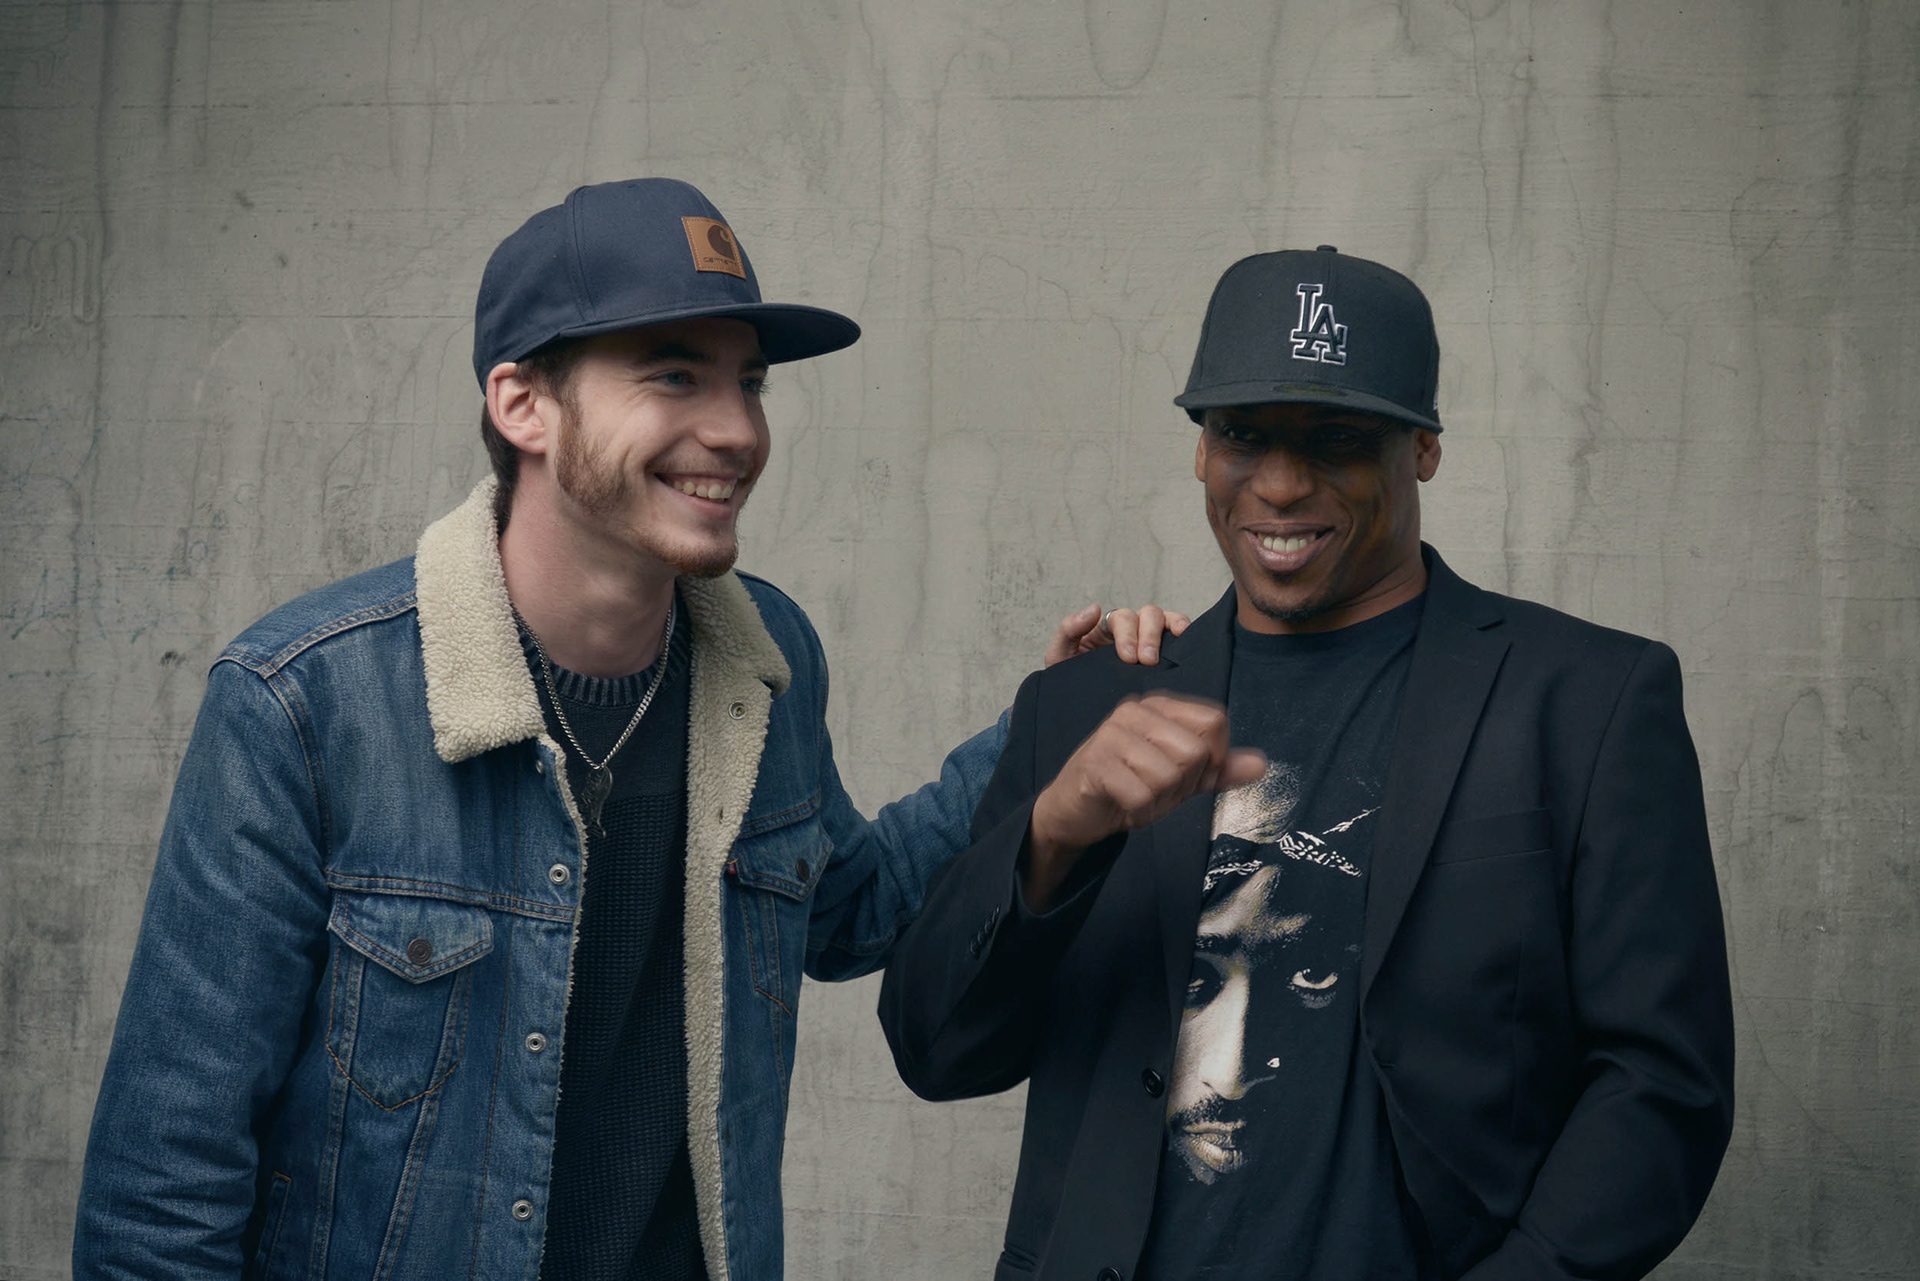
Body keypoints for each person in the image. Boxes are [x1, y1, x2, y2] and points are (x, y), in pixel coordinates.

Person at [71, 178, 1181, 1281]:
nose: (737, 430)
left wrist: (1042, 725)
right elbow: (163, 1184)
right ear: (523, 405)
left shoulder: (762, 663)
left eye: (750, 382)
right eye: (674, 375)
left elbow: (848, 909)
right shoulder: (303, 703)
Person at [879, 246, 1736, 1281]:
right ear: (1202, 450)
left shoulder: (1587, 700)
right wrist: (1053, 835)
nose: (1281, 486)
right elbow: (937, 1052)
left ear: (1423, 448)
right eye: (1244, 435)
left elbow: (1662, 1085)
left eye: (1336, 438)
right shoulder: (1084, 705)